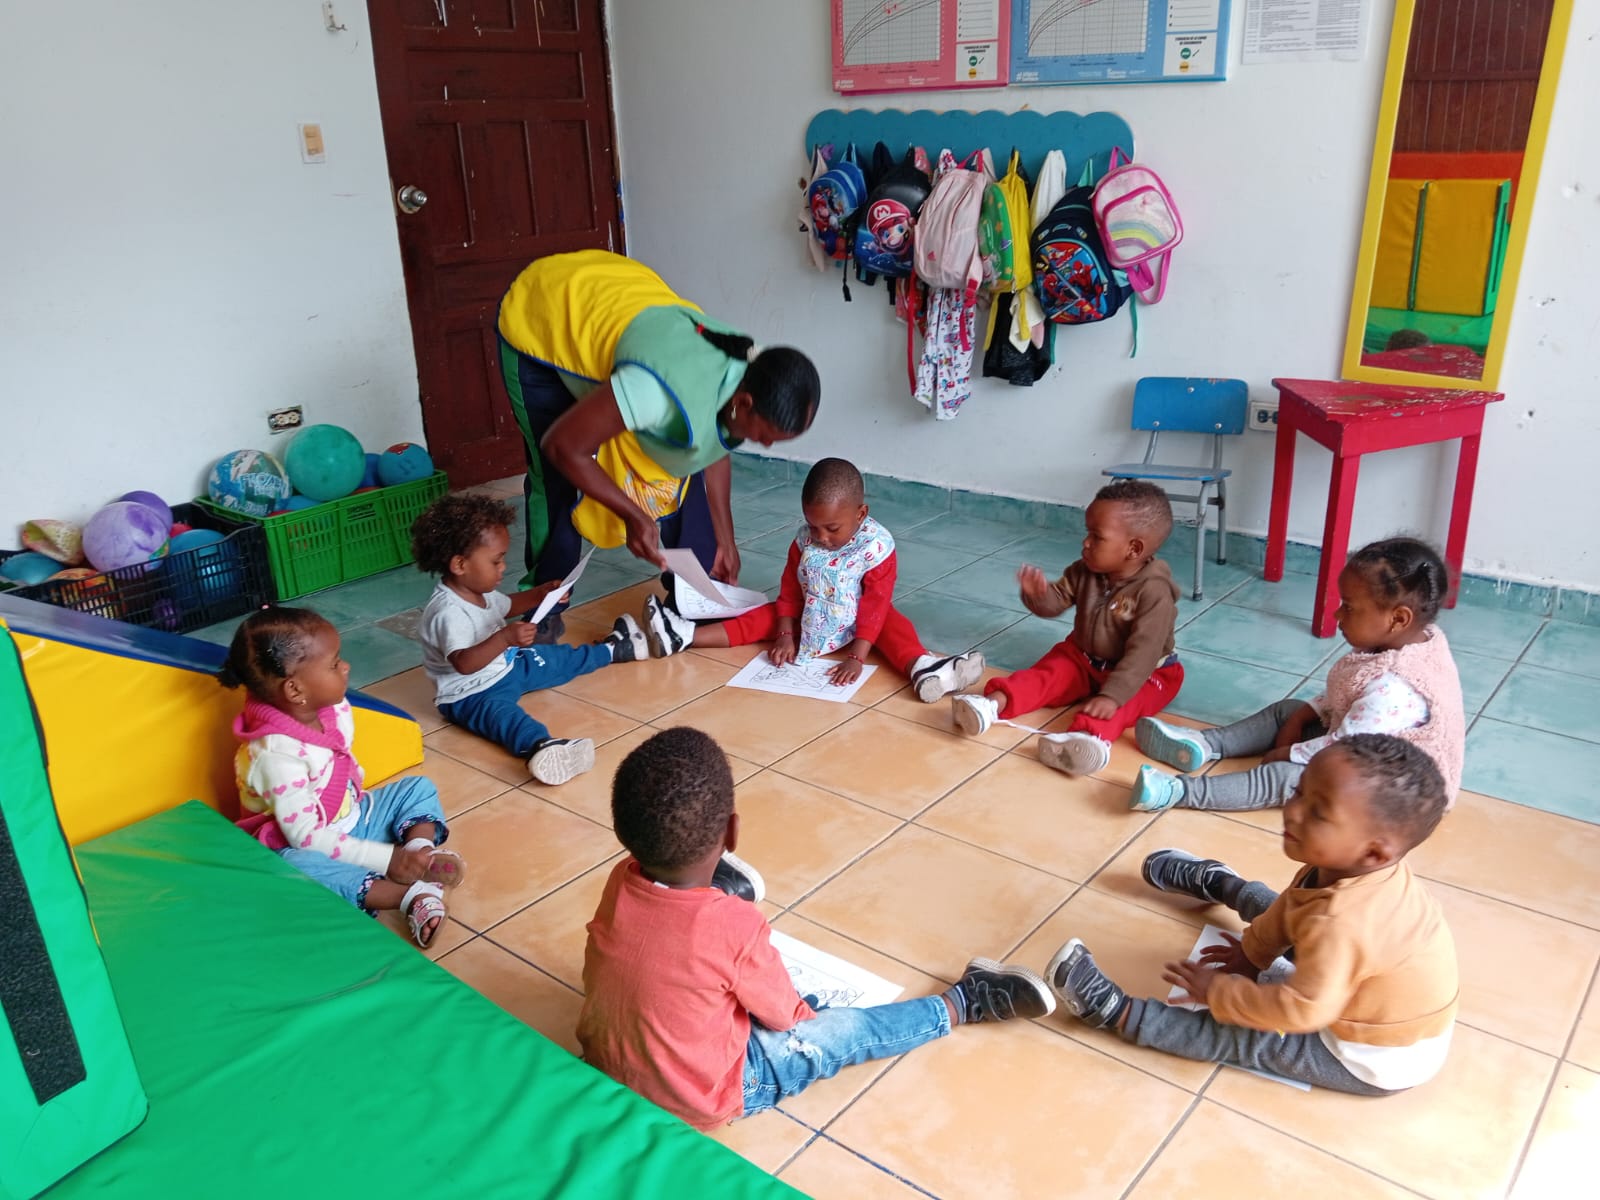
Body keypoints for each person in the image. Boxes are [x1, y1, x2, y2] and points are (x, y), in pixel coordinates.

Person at [576, 727, 1055, 1131]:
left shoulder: (620, 880)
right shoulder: (733, 926)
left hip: (605, 1066)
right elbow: (787, 1017)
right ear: (732, 833)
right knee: (840, 1032)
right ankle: (964, 1003)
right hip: (704, 1096)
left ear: (625, 837)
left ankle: (706, 885)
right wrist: (807, 1013)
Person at [1049, 734, 1458, 1096]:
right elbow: (1290, 909)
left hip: (1372, 1055)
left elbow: (1302, 1010)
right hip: (1353, 982)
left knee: (1247, 1037)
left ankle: (1116, 1012)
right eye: (1298, 791)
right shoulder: (1351, 869)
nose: (1293, 812)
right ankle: (1224, 884)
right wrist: (1251, 955)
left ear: (1374, 852)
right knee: (1282, 909)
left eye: (1318, 812)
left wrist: (1219, 992)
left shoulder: (1343, 922)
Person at [496, 249, 822, 633]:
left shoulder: (748, 366)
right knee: (557, 481)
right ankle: (542, 609)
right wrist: (633, 515)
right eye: (766, 436)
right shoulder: (657, 390)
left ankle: (692, 593)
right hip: (545, 313)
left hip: (623, 301)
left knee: (677, 467)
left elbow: (710, 447)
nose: (765, 446)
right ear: (744, 403)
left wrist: (726, 538)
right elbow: (563, 447)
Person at [1132, 536, 1464, 813]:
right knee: (1287, 710)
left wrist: (1287, 753)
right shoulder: (1407, 640)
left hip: (1392, 791)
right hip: (1365, 746)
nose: (1337, 614)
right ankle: (1205, 744)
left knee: (1287, 777)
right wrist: (1303, 715)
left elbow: (1343, 748)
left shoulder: (1395, 687)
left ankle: (1178, 792)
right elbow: (1349, 693)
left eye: (1349, 607)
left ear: (1398, 618)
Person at [219, 606, 464, 948]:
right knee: (295, 868)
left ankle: (420, 854)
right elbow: (305, 837)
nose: (345, 666)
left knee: (417, 788)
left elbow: (344, 764)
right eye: (334, 664)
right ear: (295, 690)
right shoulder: (274, 755)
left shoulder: (331, 708)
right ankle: (409, 895)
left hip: (354, 816)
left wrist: (385, 847)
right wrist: (385, 859)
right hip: (308, 845)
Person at [641, 458, 984, 700]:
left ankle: (922, 667)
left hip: (858, 621)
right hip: (812, 614)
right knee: (763, 616)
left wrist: (857, 656)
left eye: (832, 528)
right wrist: (785, 634)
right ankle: (683, 635)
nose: (820, 537)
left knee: (891, 624)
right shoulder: (804, 541)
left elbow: (875, 606)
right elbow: (790, 591)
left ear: (861, 513)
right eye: (812, 525)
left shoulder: (877, 547)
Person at [410, 493, 649, 786]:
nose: (502, 568)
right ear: (460, 564)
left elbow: (508, 605)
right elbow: (464, 663)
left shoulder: (478, 590)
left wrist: (541, 594)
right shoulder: (447, 611)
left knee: (555, 658)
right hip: (470, 693)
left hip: (508, 667)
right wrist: (505, 638)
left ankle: (614, 649)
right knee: (504, 718)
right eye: (496, 561)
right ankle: (543, 747)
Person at [950, 480, 1182, 776]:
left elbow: (1143, 653)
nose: (1085, 543)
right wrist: (1038, 594)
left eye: (1097, 537)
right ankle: (992, 705)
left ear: (1133, 549)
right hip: (1084, 658)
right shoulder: (1085, 571)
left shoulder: (1154, 593)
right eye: (1087, 533)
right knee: (1048, 674)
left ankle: (1086, 740)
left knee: (1126, 705)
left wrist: (1112, 695)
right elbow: (1055, 602)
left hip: (1148, 672)